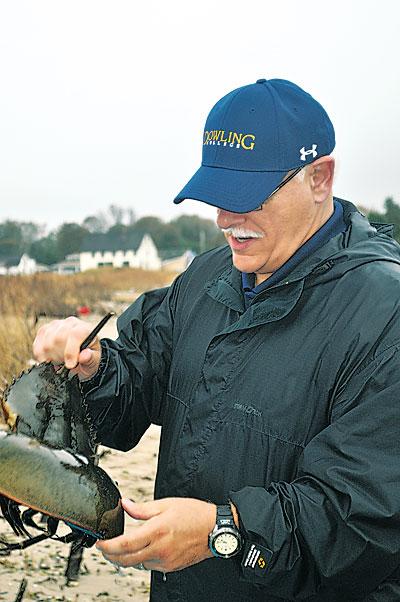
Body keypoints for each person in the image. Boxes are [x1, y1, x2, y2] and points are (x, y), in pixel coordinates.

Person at [33, 78, 400, 601]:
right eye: (217, 197)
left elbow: (364, 520)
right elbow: (137, 386)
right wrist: (94, 370)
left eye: (247, 196)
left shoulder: (385, 314)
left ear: (320, 178)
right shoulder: (206, 278)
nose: (227, 220)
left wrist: (222, 533)